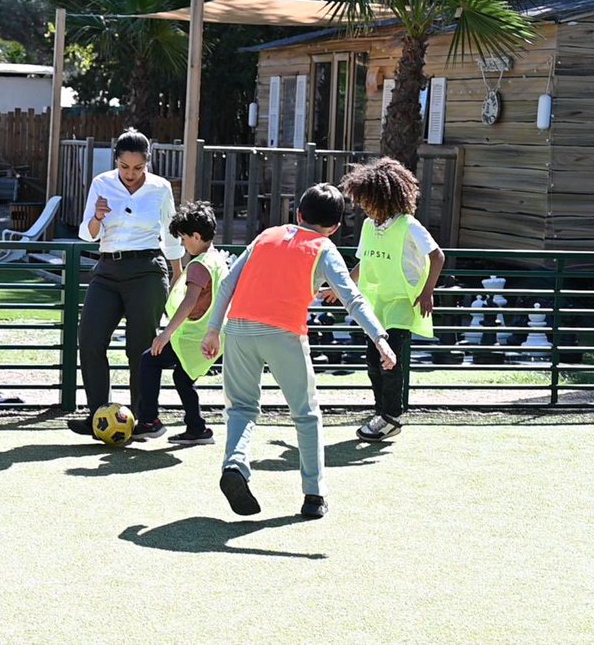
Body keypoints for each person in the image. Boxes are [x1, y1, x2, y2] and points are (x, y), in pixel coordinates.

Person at [202, 185, 396, 520]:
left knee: (242, 408)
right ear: (335, 227)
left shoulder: (266, 236)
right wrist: (379, 338)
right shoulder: (324, 247)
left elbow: (227, 284)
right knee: (306, 415)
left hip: (238, 328)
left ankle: (235, 464)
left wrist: (213, 329)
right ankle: (313, 495)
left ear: (298, 215)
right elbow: (351, 297)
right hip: (284, 333)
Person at [69, 128, 184, 439]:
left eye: (138, 167)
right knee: (90, 340)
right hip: (106, 269)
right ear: (115, 160)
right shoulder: (101, 184)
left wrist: (177, 272)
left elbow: (172, 232)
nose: (131, 174)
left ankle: (146, 418)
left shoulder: (160, 188)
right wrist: (97, 216)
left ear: (147, 162)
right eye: (124, 167)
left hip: (147, 269)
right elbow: (87, 234)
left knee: (141, 349)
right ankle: (98, 416)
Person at [329, 157, 444, 442]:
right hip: (374, 306)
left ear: (386, 197)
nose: (365, 206)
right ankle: (382, 413)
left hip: (401, 305)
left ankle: (391, 415)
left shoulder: (408, 225)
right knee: (372, 362)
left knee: (389, 361)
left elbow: (437, 256)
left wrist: (427, 291)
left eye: (369, 200)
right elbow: (363, 265)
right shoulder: (369, 227)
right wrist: (338, 287)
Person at [134, 201, 228, 445]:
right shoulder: (217, 260)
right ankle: (197, 428)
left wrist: (165, 334)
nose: (183, 244)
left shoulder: (199, 265)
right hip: (209, 335)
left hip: (192, 338)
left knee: (149, 360)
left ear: (196, 236)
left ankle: (149, 420)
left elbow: (189, 302)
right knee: (183, 379)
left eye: (184, 239)